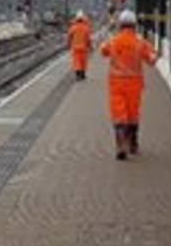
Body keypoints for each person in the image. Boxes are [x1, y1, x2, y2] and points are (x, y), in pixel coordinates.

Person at [99, 9, 158, 160]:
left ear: (120, 25)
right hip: (134, 84)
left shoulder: (113, 41)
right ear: (134, 25)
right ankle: (133, 145)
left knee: (119, 114)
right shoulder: (140, 42)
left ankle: (120, 145)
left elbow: (103, 51)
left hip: (116, 83)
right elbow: (151, 60)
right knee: (133, 115)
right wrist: (155, 50)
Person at [66, 10, 93, 80]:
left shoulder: (73, 27)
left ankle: (78, 75)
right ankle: (82, 74)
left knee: (76, 61)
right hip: (84, 47)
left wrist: (68, 44)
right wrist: (90, 46)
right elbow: (88, 38)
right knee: (83, 61)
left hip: (75, 47)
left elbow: (69, 36)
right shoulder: (86, 27)